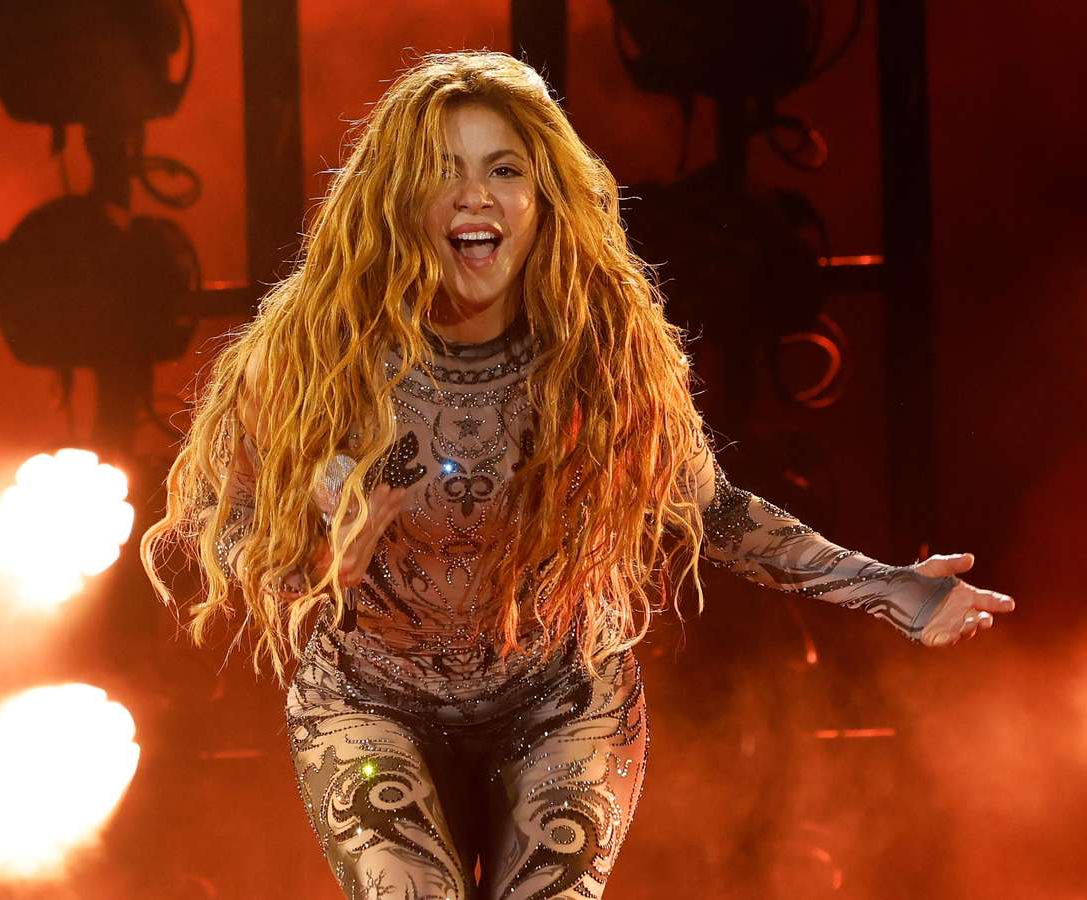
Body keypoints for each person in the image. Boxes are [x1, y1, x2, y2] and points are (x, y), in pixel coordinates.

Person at [141, 50, 1016, 900]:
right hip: (369, 705)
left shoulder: (603, 352)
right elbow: (224, 515)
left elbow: (710, 511)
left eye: (504, 170)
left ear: (543, 200)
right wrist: (309, 561)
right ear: (398, 199)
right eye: (442, 171)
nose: (475, 195)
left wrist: (888, 586)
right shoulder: (311, 353)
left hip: (564, 701)